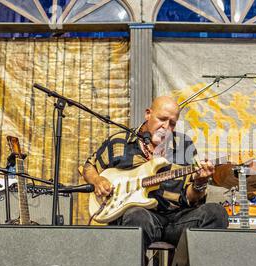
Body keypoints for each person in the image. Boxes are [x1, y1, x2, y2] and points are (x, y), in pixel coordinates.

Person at [81, 96, 229, 249]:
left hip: (177, 220)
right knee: (136, 216)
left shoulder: (184, 146)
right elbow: (89, 166)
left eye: (172, 123)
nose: (166, 127)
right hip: (141, 217)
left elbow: (190, 197)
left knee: (217, 213)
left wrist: (200, 182)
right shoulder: (120, 141)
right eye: (162, 119)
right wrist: (97, 181)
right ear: (148, 114)